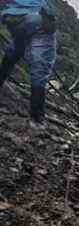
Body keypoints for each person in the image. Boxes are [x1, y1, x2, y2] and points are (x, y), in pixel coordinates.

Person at [0, 0, 57, 129]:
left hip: (13, 20)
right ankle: (37, 118)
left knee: (13, 52)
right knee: (40, 70)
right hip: (38, 21)